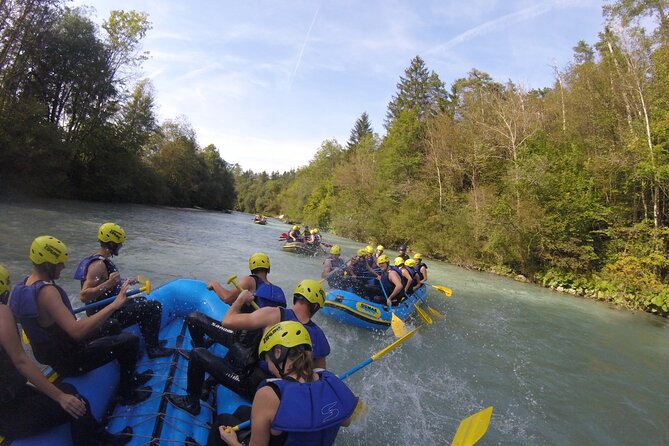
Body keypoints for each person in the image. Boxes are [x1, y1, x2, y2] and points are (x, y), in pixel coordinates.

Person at [9, 236, 151, 406]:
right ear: (48, 264)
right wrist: (114, 305)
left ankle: (125, 374)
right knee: (130, 341)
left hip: (53, 352)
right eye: (60, 263)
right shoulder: (47, 293)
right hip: (70, 360)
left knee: (112, 324)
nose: (63, 266)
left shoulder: (23, 285)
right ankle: (127, 394)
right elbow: (76, 332)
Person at [166, 254, 287, 414]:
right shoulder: (278, 295)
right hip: (254, 347)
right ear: (268, 268)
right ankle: (207, 378)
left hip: (239, 342)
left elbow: (226, 298)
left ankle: (192, 401)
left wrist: (215, 284)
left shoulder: (250, 280)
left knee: (194, 319)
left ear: (252, 268)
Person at [0, 302, 131, 445]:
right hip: (8, 411)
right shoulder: (2, 311)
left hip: (14, 397)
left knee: (70, 391)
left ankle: (104, 437)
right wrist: (60, 397)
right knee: (77, 403)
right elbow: (21, 361)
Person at [216, 321, 357, 446]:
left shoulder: (269, 394)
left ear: (278, 353)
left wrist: (232, 442)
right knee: (242, 411)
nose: (268, 366)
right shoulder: (332, 382)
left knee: (223, 421)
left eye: (267, 359)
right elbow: (346, 421)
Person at [74, 222, 173, 358]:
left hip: (110, 307)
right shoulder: (97, 265)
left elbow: (107, 283)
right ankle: (153, 349)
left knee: (142, 300)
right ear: (112, 243)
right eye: (119, 243)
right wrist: (109, 284)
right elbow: (84, 296)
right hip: (105, 314)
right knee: (154, 306)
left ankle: (150, 341)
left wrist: (126, 281)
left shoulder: (102, 260)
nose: (121, 246)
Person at [223, 279, 330, 369]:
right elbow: (320, 372)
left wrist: (240, 299)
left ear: (295, 297)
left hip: (260, 379)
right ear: (315, 307)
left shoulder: (274, 314)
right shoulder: (319, 336)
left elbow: (227, 321)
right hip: (292, 387)